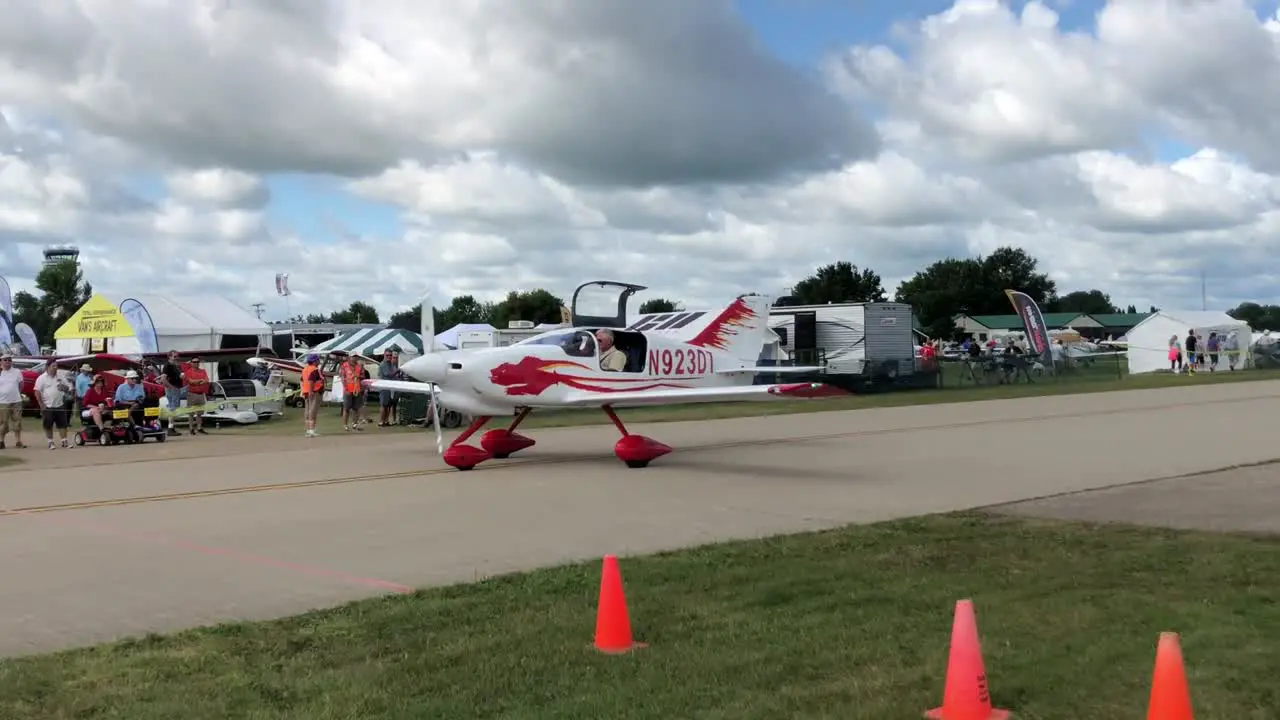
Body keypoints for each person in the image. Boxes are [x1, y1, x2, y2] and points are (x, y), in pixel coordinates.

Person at [34, 362, 73, 449]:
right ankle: (50, 442)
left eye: (56, 366)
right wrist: (41, 404)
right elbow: (37, 391)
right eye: (53, 366)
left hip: (60, 404)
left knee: (63, 424)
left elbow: (69, 388)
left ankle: (64, 441)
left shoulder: (60, 376)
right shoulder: (41, 378)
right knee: (48, 424)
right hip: (48, 405)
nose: (55, 368)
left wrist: (64, 388)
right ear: (47, 367)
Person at [0, 354, 27, 449]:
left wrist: (17, 393)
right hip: (2, 401)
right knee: (3, 422)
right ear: (1, 361)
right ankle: (1, 441)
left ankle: (18, 441)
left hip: (16, 400)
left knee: (17, 421)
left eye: (9, 360)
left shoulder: (17, 372)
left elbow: (21, 384)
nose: (8, 362)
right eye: (5, 360)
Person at [184, 355, 210, 435]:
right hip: (192, 394)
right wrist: (200, 381)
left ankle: (199, 427)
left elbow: (207, 380)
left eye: (197, 362)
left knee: (200, 413)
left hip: (201, 394)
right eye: (194, 362)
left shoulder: (203, 371)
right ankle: (191, 428)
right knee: (191, 413)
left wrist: (199, 381)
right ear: (191, 363)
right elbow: (191, 381)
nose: (196, 363)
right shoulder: (188, 372)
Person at [160, 351, 185, 436]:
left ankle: (172, 427)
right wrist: (171, 387)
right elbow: (163, 379)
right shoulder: (168, 366)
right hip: (172, 389)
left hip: (176, 388)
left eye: (177, 356)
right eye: (174, 356)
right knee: (172, 408)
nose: (176, 358)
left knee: (174, 408)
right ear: (170, 357)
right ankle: (170, 428)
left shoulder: (174, 366)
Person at [300, 354, 324, 438]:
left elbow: (302, 381)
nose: (319, 361)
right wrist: (311, 391)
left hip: (306, 391)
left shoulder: (304, 369)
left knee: (307, 410)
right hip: (314, 392)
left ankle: (308, 429)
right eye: (318, 360)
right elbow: (311, 380)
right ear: (314, 361)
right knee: (313, 411)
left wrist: (304, 391)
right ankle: (311, 430)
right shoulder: (314, 370)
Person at [340, 355, 365, 431]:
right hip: (348, 390)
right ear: (349, 357)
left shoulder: (359, 366)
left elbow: (363, 376)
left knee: (356, 408)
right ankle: (345, 425)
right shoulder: (344, 366)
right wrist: (346, 389)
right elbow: (342, 378)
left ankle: (355, 424)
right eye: (352, 357)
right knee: (346, 408)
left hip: (357, 389)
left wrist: (359, 376)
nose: (354, 358)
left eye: (355, 357)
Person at [377, 349, 399, 427]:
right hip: (384, 387)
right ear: (384, 355)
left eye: (390, 355)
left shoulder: (391, 364)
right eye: (387, 355)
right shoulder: (383, 364)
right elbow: (388, 374)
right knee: (383, 405)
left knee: (388, 405)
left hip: (389, 387)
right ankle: (381, 421)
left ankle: (386, 421)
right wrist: (397, 371)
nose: (389, 357)